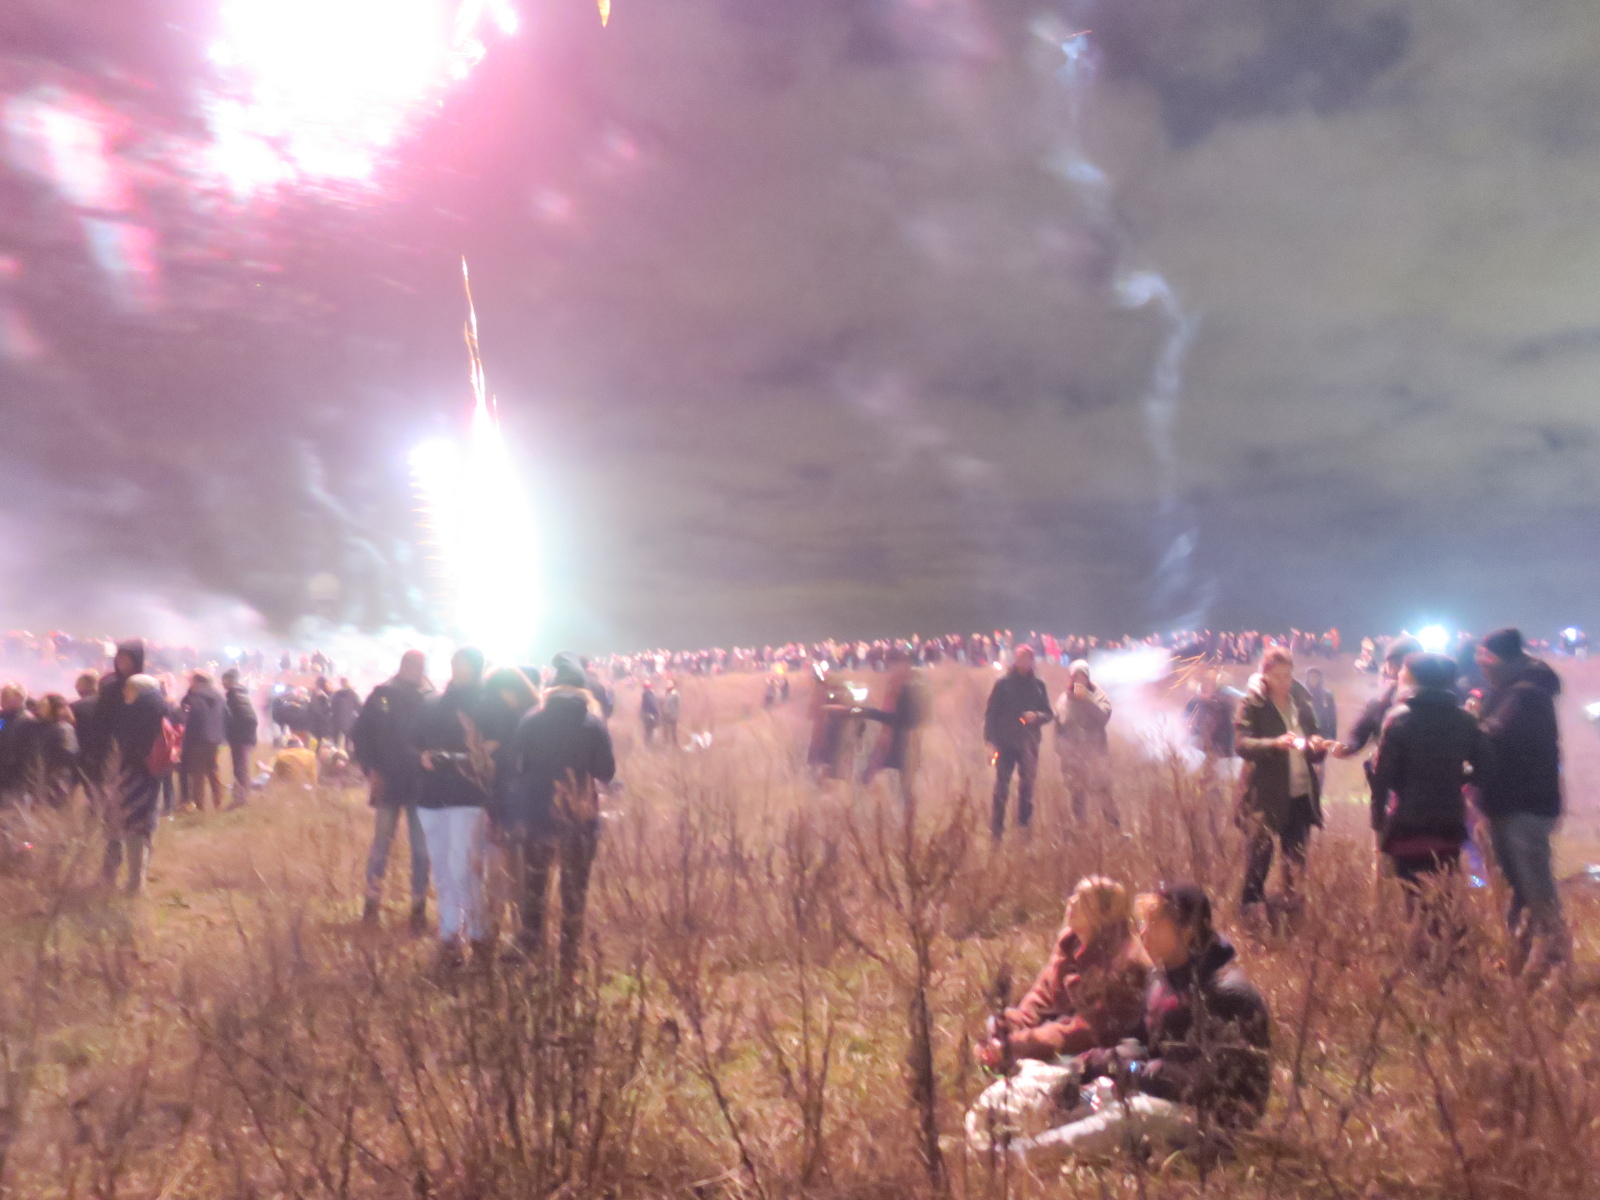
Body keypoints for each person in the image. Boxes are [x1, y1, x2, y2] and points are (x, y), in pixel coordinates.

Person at [1030, 883, 1271, 1159]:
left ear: (1187, 929)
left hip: (1216, 1122)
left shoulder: (1228, 994)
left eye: (1153, 923)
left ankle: (1023, 1154)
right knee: (1084, 1092)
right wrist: (1093, 1064)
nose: (1143, 932)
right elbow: (1141, 1041)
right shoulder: (1163, 979)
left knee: (1134, 1114)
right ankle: (1032, 1132)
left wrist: (1125, 1069)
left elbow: (1200, 1082)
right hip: (1159, 1097)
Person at [502, 652, 617, 980]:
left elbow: (515, 763)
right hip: (578, 816)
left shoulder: (531, 719)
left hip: (537, 814)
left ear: (551, 688)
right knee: (574, 888)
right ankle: (569, 955)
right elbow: (606, 772)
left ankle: (530, 943)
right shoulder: (593, 723)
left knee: (535, 884)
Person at [975, 876, 1150, 1067]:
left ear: (1104, 914)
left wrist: (1018, 1045)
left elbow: (1085, 1032)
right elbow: (1040, 999)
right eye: (1074, 895)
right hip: (1059, 1039)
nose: (1071, 902)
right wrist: (1005, 1031)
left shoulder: (1123, 962)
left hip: (1099, 1057)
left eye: (1083, 900)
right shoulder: (1070, 945)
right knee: (995, 1027)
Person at [1475, 628, 1570, 976]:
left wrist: (1470, 725)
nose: (1482, 668)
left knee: (1536, 889)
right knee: (1516, 889)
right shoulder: (1509, 691)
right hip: (1507, 804)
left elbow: (1496, 735)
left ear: (1503, 660)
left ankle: (1558, 961)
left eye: (1487, 660)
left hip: (1524, 806)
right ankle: (1520, 957)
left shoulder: (1525, 695)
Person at [413, 647, 517, 964]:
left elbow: (498, 744)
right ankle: (449, 935)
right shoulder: (433, 704)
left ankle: (478, 933)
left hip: (468, 796)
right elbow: (412, 741)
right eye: (452, 662)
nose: (454, 667)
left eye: (460, 663)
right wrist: (421, 756)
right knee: (441, 869)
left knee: (464, 868)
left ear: (474, 667)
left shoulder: (489, 704)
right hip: (431, 796)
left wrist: (468, 756)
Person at [1370, 654, 1490, 925]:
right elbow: (1486, 767)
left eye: (1404, 671)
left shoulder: (1398, 719)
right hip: (1449, 821)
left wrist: (1378, 821)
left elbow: (1382, 777)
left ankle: (1420, 945)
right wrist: (1457, 777)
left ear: (1413, 678)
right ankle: (1445, 942)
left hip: (1408, 821)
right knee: (1444, 892)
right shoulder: (1465, 721)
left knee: (1412, 894)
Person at [1235, 647, 1328, 915]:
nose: (1284, 682)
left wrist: (1317, 744)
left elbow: (1314, 743)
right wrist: (1274, 744)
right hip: (1265, 795)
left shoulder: (1302, 703)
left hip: (1300, 794)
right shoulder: (1253, 704)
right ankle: (1250, 914)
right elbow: (1241, 744)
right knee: (1259, 860)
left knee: (1295, 863)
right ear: (1264, 675)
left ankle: (1291, 914)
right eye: (1277, 676)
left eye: (1287, 675)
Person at [352, 649, 434, 931]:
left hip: (420, 784)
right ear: (402, 666)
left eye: (419, 665)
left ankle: (418, 908)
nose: (415, 670)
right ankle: (371, 904)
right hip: (388, 780)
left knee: (421, 850)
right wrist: (371, 768)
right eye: (411, 665)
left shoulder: (431, 698)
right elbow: (361, 733)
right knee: (381, 846)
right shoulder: (382, 695)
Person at [103, 674, 167, 894]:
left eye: (128, 688)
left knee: (134, 827)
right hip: (153, 773)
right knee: (144, 826)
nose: (124, 693)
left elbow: (129, 744)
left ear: (137, 690)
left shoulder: (138, 710)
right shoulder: (162, 707)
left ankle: (134, 883)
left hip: (135, 773)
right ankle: (138, 879)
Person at [984, 645, 1053, 839]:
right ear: (1015, 660)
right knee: (1001, 787)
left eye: (1028, 658)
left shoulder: (1039, 686)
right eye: (1021, 658)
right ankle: (996, 831)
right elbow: (990, 715)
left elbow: (1049, 713)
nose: (1025, 662)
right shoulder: (1003, 684)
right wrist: (989, 741)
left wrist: (1036, 716)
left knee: (1027, 788)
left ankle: (1023, 830)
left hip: (1029, 744)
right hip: (1005, 743)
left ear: (1032, 661)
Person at [857, 648, 930, 807]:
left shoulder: (897, 682)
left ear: (897, 663)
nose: (889, 669)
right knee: (906, 787)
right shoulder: (920, 680)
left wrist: (868, 712)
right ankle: (906, 818)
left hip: (895, 738)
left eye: (889, 664)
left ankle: (861, 808)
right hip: (913, 739)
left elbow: (891, 716)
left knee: (867, 776)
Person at [1053, 660, 1116, 825]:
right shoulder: (1064, 699)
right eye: (1076, 676)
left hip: (1095, 753)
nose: (1079, 680)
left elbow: (1103, 718)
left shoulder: (1098, 695)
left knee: (1103, 791)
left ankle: (1113, 827)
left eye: (1083, 676)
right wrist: (1061, 752)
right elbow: (1058, 727)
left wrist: (1087, 700)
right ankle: (1081, 829)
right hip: (1073, 756)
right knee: (1077, 794)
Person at [179, 671, 227, 813]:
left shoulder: (194, 697)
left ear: (198, 682)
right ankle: (218, 801)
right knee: (212, 770)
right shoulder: (218, 696)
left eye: (192, 681)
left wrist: (189, 692)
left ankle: (199, 805)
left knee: (198, 773)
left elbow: (186, 712)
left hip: (198, 739)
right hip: (215, 740)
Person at [35, 694, 81, 808]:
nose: (40, 709)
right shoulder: (43, 726)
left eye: (44, 706)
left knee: (55, 806)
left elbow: (70, 753)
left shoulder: (64, 728)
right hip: (47, 773)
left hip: (59, 775)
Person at [221, 669, 258, 807]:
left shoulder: (235, 696)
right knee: (241, 768)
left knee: (241, 768)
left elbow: (248, 719)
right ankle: (241, 797)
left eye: (224, 681)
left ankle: (241, 799)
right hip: (244, 737)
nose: (222, 684)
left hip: (241, 738)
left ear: (229, 681)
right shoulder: (240, 694)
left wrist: (233, 732)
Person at [0, 683, 41, 806]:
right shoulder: (3, 718)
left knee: (13, 808)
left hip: (17, 774)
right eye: (2, 696)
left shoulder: (28, 720)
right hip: (3, 772)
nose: (2, 700)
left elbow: (32, 751)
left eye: (6, 697)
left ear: (19, 698)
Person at [1184, 669, 1235, 760]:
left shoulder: (1223, 703)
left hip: (1218, 745)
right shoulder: (1200, 701)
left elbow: (1228, 726)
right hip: (1206, 743)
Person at [1303, 668, 1337, 746]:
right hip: (1307, 733)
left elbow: (1332, 718)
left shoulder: (1327, 695)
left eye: (1315, 677)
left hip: (1323, 733)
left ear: (1319, 679)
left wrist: (1332, 738)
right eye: (1311, 676)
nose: (1313, 679)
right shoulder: (1302, 695)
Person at [331, 678, 362, 750]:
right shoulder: (353, 694)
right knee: (348, 744)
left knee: (336, 743)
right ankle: (346, 755)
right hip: (348, 722)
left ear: (341, 684)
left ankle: (336, 754)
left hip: (337, 721)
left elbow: (332, 706)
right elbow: (358, 707)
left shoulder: (336, 694)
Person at [660, 680, 681, 748]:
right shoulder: (666, 693)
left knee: (673, 732)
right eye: (667, 684)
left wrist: (675, 716)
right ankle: (666, 745)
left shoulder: (676, 694)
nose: (667, 685)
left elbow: (678, 706)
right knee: (665, 731)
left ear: (672, 685)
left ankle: (675, 745)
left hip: (672, 716)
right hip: (665, 716)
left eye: (669, 684)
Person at [639, 681, 661, 745]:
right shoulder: (650, 695)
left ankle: (646, 746)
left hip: (646, 716)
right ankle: (649, 746)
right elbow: (654, 705)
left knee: (647, 732)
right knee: (650, 732)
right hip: (651, 716)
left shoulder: (645, 694)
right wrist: (658, 713)